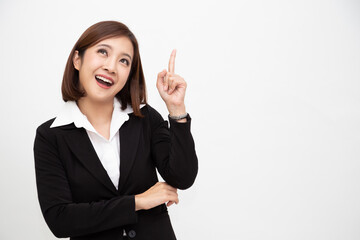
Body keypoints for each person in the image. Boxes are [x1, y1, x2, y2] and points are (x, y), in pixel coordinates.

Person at [33, 21, 198, 240]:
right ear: (77, 60)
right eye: (103, 52)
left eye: (123, 61)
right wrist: (137, 202)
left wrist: (177, 110)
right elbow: (60, 219)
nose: (111, 67)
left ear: (129, 73)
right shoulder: (50, 136)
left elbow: (182, 177)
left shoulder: (145, 118)